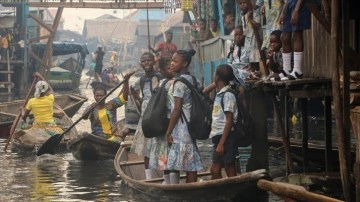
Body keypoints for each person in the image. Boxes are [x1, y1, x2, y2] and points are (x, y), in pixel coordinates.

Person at [165, 49, 204, 183]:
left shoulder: (179, 83)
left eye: (175, 61)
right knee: (190, 162)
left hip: (181, 127)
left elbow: (176, 110)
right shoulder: (192, 79)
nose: (172, 63)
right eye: (172, 60)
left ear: (185, 63)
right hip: (191, 123)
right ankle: (190, 187)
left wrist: (168, 131)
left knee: (188, 163)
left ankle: (189, 189)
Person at [130, 52, 162, 180]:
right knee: (146, 149)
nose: (146, 63)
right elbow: (132, 89)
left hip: (158, 117)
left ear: (154, 62)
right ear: (140, 64)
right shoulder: (142, 80)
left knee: (161, 148)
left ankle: (165, 178)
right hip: (145, 118)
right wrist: (140, 100)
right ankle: (149, 178)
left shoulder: (159, 77)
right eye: (144, 61)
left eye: (149, 60)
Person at [148, 58, 178, 184]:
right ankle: (173, 185)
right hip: (170, 124)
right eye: (169, 67)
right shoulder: (172, 84)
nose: (172, 69)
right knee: (172, 156)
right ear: (162, 70)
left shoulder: (159, 84)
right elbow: (174, 107)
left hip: (161, 124)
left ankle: (167, 183)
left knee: (164, 155)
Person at [82, 71, 134, 142]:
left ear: (105, 96)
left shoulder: (111, 105)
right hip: (97, 137)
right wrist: (91, 108)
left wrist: (126, 82)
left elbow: (124, 97)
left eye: (101, 96)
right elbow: (84, 117)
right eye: (97, 96)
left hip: (112, 137)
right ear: (94, 96)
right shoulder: (92, 108)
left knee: (118, 141)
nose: (99, 97)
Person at [208, 64, 238, 179]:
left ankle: (233, 190)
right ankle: (219, 192)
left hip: (226, 136)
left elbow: (229, 121)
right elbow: (204, 92)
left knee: (229, 165)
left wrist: (221, 143)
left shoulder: (228, 95)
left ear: (217, 77)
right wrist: (216, 83)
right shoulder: (219, 93)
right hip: (218, 136)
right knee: (215, 170)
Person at [278, 0, 310, 80]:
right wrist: (283, 11)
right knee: (284, 37)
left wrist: (296, 10)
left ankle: (297, 70)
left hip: (299, 3)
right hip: (289, 3)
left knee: (296, 34)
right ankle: (287, 70)